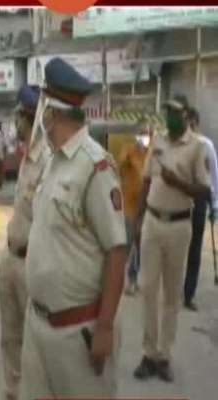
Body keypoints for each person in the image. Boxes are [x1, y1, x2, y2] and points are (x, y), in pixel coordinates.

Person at [20, 58, 128, 399]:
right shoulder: (53, 161)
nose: (40, 116)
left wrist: (105, 327)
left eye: (43, 108)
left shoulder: (94, 166)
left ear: (53, 111)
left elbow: (117, 250)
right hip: (37, 326)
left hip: (76, 333)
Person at [132, 97, 211, 382]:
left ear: (186, 115)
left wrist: (177, 181)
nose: (170, 117)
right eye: (167, 112)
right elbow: (146, 181)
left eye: (175, 113)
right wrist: (137, 218)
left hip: (179, 226)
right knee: (148, 289)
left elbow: (203, 191)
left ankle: (164, 356)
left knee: (172, 294)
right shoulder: (158, 142)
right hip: (153, 222)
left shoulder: (198, 146)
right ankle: (148, 353)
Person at [0, 86, 46, 400]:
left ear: (32, 117)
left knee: (32, 342)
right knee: (10, 338)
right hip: (10, 259)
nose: (16, 122)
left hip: (32, 263)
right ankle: (10, 393)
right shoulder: (27, 157)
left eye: (20, 115)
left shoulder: (47, 161)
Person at [184, 107, 218, 311]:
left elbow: (214, 176)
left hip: (199, 200)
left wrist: (214, 205)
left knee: (195, 248)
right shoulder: (177, 145)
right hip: (179, 199)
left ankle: (188, 293)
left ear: (196, 124)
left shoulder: (206, 145)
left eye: (189, 123)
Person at [118, 119, 153, 295]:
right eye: (141, 132)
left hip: (148, 207)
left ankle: (138, 279)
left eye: (146, 133)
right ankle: (122, 279)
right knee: (128, 244)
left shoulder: (153, 153)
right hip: (130, 207)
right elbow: (121, 168)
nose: (144, 136)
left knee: (142, 245)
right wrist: (129, 157)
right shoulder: (128, 149)